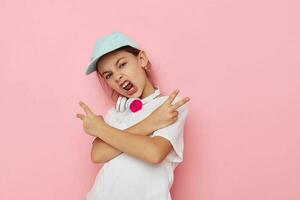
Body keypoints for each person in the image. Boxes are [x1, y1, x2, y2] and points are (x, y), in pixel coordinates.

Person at [76, 31, 190, 200]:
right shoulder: (115, 114)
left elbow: (154, 153)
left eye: (122, 65)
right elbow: (98, 154)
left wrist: (101, 129)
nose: (118, 76)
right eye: (108, 75)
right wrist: (151, 123)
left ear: (141, 59)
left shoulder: (169, 106)